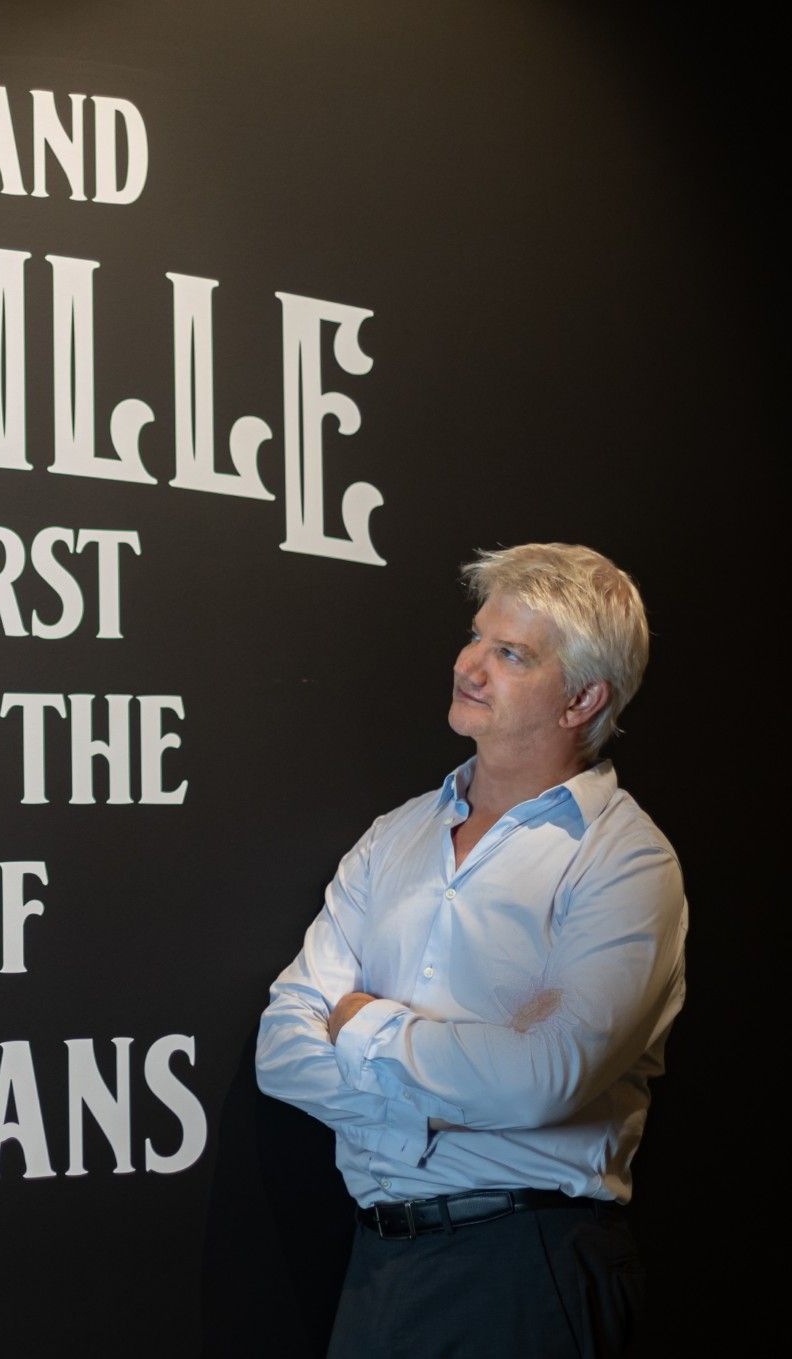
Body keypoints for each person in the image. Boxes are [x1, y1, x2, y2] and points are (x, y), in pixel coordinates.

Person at [255, 543, 685, 1359]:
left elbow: (542, 1078)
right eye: (478, 637)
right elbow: (281, 1049)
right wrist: (456, 1092)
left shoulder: (625, 860)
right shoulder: (396, 836)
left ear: (582, 699)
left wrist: (363, 1026)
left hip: (524, 1267)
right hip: (378, 1267)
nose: (471, 665)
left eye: (511, 653)